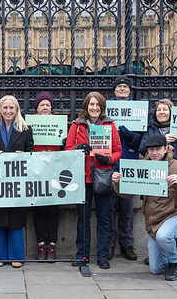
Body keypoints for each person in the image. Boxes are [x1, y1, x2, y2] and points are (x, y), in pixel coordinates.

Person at [112, 134, 177, 281]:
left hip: (175, 216)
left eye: (158, 149)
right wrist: (118, 182)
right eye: (151, 150)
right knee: (157, 268)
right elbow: (126, 194)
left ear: (166, 149)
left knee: (164, 236)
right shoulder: (143, 166)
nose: (154, 153)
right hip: (153, 222)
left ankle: (176, 263)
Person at [65, 91, 122, 269]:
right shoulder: (77, 125)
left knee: (104, 218)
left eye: (98, 105)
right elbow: (67, 149)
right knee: (83, 218)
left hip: (103, 176)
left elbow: (118, 150)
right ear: (86, 106)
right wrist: (78, 148)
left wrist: (110, 159)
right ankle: (82, 255)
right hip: (83, 177)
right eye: (91, 104)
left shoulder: (109, 125)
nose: (94, 108)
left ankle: (102, 256)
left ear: (102, 107)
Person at [0, 95, 34, 268]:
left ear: (17, 110)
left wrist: (24, 156)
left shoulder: (25, 129)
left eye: (11, 108)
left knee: (16, 217)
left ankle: (16, 256)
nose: (8, 111)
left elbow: (31, 152)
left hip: (17, 181)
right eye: (5, 108)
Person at [108, 76, 141, 261]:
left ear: (129, 91)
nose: (122, 89)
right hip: (111, 164)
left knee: (127, 210)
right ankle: (111, 244)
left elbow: (142, 139)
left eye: (125, 87)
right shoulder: (107, 108)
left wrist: (130, 136)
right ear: (114, 91)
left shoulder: (137, 110)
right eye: (119, 87)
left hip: (129, 164)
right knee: (110, 209)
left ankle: (127, 245)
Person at [32, 91, 61, 260]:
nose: (45, 107)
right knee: (39, 210)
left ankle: (52, 244)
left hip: (54, 171)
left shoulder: (58, 122)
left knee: (53, 210)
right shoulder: (30, 123)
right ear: (37, 107)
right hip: (37, 171)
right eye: (42, 104)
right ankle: (41, 244)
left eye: (47, 105)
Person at [139, 99, 177, 165]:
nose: (161, 112)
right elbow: (142, 150)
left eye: (165, 109)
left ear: (171, 112)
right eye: (158, 110)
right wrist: (162, 141)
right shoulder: (150, 128)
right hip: (155, 169)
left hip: (176, 171)